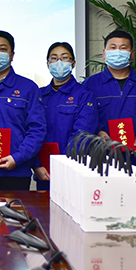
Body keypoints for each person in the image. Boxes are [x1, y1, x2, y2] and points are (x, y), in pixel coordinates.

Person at [0, 30, 46, 190]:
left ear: (12, 55)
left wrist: (18, 158)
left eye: (3, 49)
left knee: (16, 207)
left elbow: (37, 129)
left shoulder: (28, 88)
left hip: (16, 172)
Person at [84, 30, 136, 172]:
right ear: (104, 53)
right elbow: (84, 117)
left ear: (131, 54)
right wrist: (99, 132)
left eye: (123, 48)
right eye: (113, 47)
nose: (118, 52)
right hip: (103, 158)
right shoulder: (90, 85)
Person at [35, 42, 97, 190]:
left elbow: (83, 133)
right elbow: (31, 131)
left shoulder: (84, 94)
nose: (59, 62)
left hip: (72, 169)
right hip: (43, 171)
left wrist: (62, 165)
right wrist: (36, 165)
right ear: (48, 64)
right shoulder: (39, 95)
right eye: (54, 58)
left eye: (64, 58)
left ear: (73, 63)